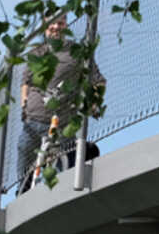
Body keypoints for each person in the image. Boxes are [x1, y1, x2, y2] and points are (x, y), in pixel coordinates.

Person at [17, 14, 105, 191]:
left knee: (65, 166)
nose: (56, 27)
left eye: (60, 23)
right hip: (34, 121)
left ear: (66, 25)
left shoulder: (76, 52)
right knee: (24, 152)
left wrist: (94, 103)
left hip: (63, 121)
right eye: (52, 23)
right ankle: (23, 192)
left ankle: (65, 191)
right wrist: (24, 104)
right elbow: (26, 82)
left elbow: (98, 81)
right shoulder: (37, 52)